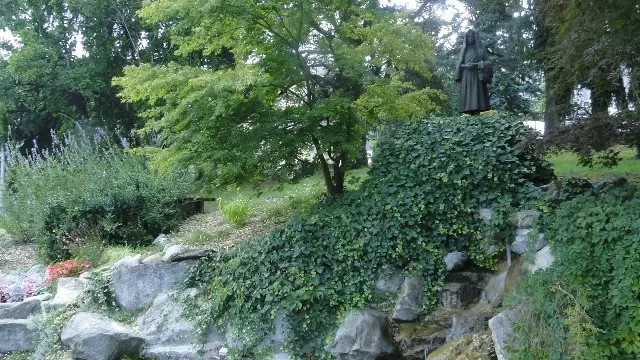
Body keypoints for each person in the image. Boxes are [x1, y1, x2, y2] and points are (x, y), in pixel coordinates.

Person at [455, 29, 492, 115]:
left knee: (478, 98)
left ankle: (477, 114)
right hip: (466, 77)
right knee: (467, 99)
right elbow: (459, 64)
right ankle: (468, 115)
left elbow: (488, 63)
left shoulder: (480, 50)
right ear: (466, 39)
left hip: (477, 77)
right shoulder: (463, 51)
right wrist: (464, 66)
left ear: (475, 38)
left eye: (472, 37)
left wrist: (477, 65)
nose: (470, 39)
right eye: (468, 37)